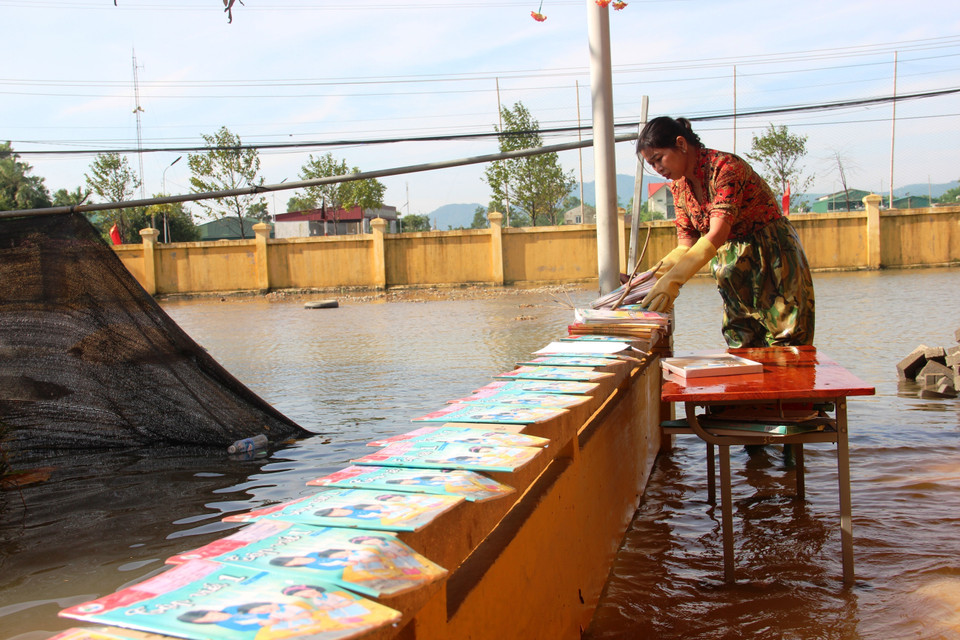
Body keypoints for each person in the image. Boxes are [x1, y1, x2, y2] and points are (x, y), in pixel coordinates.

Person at [637, 116, 815, 347]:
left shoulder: (725, 168)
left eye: (658, 158)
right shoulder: (679, 186)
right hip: (731, 266)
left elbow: (717, 232)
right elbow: (686, 246)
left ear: (681, 144)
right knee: (741, 341)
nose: (657, 168)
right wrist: (650, 278)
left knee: (787, 341)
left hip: (772, 258)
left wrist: (674, 281)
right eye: (651, 164)